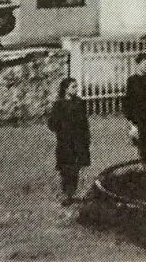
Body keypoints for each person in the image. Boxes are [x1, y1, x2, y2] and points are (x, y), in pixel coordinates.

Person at [46, 77, 91, 205]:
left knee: (75, 168)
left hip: (78, 140)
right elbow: (52, 123)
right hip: (65, 142)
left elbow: (84, 123)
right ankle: (67, 194)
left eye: (76, 86)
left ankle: (72, 193)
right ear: (66, 89)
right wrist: (62, 129)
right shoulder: (59, 104)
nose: (76, 89)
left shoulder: (79, 103)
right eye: (73, 87)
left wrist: (86, 138)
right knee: (65, 168)